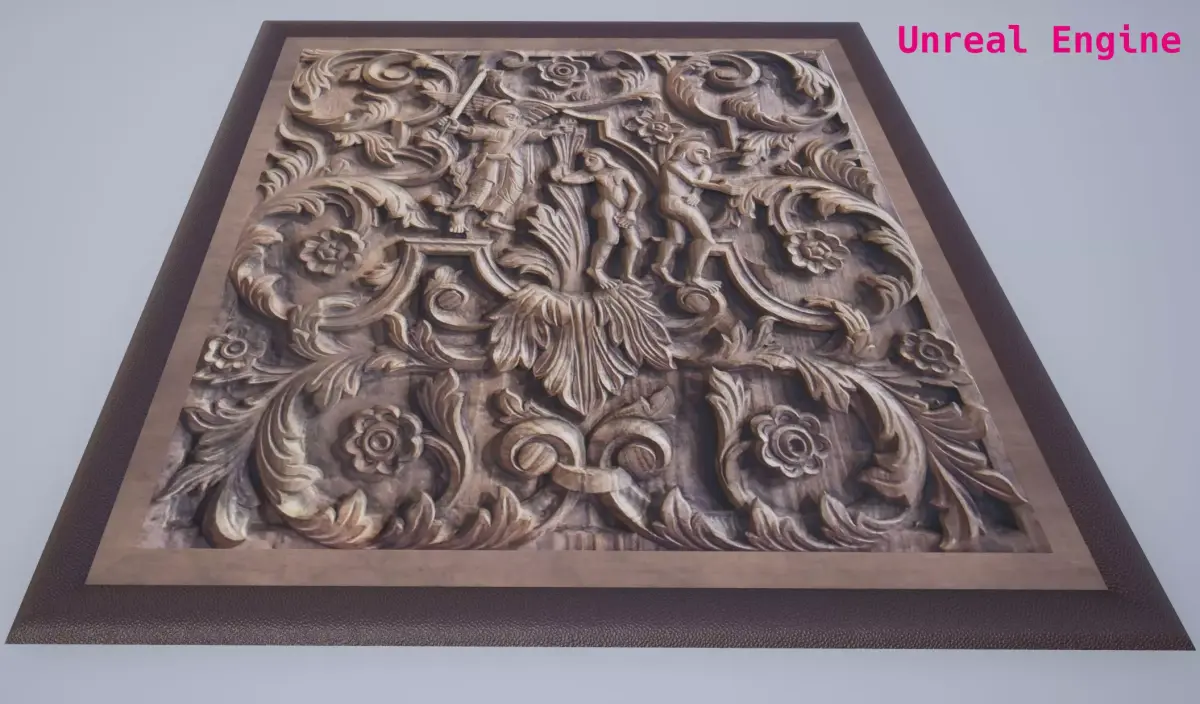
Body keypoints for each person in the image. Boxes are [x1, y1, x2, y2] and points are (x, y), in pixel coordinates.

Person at [438, 102, 565, 234]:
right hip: (491, 162)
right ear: (495, 116)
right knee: (483, 188)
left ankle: (493, 218)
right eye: (510, 116)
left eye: (517, 117)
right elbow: (472, 132)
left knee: (512, 189)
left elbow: (533, 134)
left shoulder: (520, 131)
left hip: (512, 163)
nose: (514, 120)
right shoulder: (492, 130)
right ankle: (460, 213)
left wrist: (550, 132)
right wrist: (458, 127)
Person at [651, 139, 739, 292]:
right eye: (701, 152)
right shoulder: (672, 165)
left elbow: (703, 181)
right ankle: (694, 277)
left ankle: (660, 265)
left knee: (676, 239)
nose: (706, 157)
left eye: (708, 154)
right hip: (675, 203)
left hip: (673, 203)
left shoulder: (701, 169)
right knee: (705, 239)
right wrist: (720, 188)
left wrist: (697, 194)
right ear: (686, 151)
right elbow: (692, 181)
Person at [551, 148, 645, 289]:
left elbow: (636, 192)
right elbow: (571, 179)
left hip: (623, 211)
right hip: (607, 208)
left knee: (635, 244)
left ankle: (628, 274)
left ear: (604, 159)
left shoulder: (622, 172)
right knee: (610, 239)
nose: (587, 163)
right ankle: (596, 269)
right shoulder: (594, 175)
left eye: (592, 159)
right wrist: (559, 173)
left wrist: (630, 211)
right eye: (585, 160)